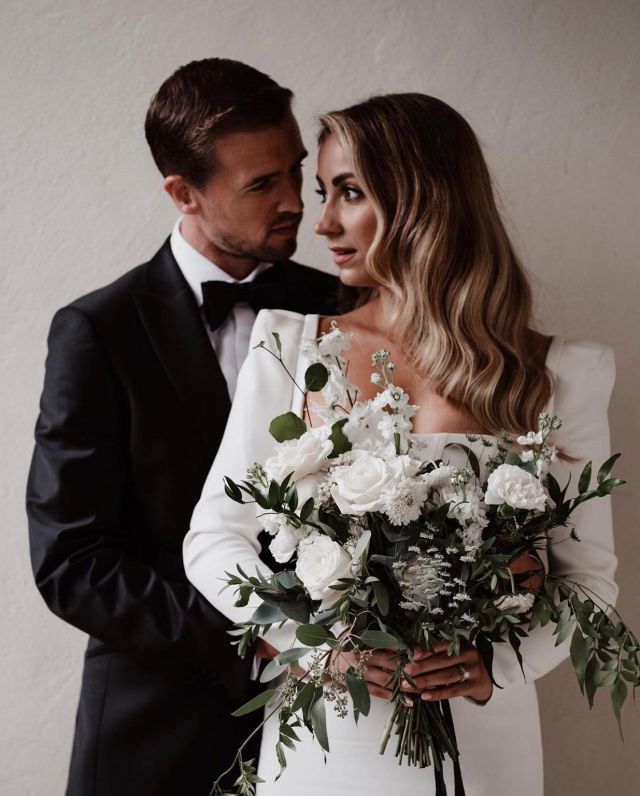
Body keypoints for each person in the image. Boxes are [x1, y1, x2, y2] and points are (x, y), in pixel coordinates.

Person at [183, 94, 618, 795]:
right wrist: (317, 647)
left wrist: (500, 667)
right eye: (324, 193)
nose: (321, 222)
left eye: (349, 193)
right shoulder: (291, 346)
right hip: (332, 732)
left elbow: (587, 578)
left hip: (485, 734)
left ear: (423, 198)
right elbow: (212, 538)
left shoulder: (564, 373)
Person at [26, 58, 340, 796]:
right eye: (262, 184)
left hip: (336, 729)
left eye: (294, 171)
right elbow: (72, 560)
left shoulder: (343, 306)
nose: (297, 201)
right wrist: (257, 635)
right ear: (182, 191)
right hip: (157, 738)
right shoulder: (98, 331)